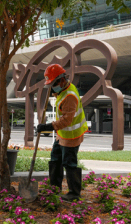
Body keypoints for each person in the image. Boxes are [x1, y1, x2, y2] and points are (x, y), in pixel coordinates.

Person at [36, 64, 88, 201]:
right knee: (55, 159)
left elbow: (66, 121)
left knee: (69, 163)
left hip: (72, 135)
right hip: (62, 135)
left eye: (54, 83)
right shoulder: (63, 90)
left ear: (62, 80)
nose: (53, 86)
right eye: (51, 84)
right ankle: (54, 188)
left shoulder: (69, 96)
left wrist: (46, 126)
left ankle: (74, 193)